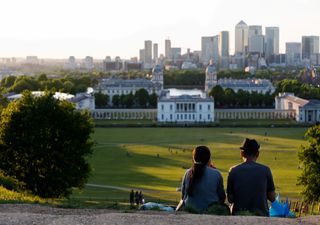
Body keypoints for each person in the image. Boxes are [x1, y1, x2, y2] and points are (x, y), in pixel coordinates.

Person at [227, 138, 276, 216]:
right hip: (261, 215)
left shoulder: (233, 171)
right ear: (257, 154)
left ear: (242, 154)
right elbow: (272, 197)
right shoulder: (266, 170)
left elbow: (230, 199)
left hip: (239, 214)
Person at [178, 146, 226, 213]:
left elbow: (183, 197)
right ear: (209, 159)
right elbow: (222, 198)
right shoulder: (216, 174)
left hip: (190, 210)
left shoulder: (188, 173)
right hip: (210, 210)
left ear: (194, 158)